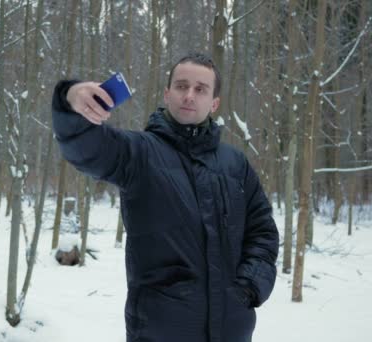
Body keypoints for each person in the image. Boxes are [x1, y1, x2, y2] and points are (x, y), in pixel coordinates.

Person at [51, 52, 279, 342]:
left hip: (232, 330)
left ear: (214, 103)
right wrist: (71, 99)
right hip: (161, 330)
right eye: (182, 86)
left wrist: (249, 288)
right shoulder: (140, 153)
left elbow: (262, 232)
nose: (189, 96)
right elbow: (87, 148)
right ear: (167, 93)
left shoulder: (236, 165)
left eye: (200, 89)